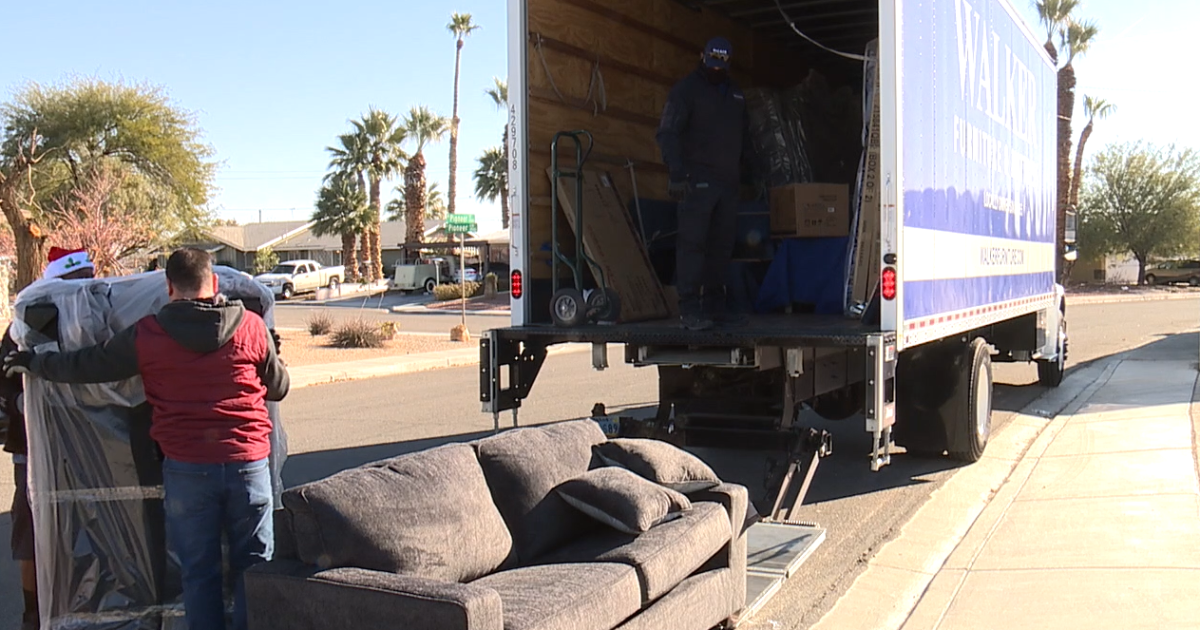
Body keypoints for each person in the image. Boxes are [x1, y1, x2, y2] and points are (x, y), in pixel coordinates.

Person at [4, 248, 290, 630]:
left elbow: (87, 364)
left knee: (200, 574)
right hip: (248, 467)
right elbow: (278, 388)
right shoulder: (251, 328)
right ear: (215, 283)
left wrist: (35, 363)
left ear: (170, 288)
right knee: (254, 574)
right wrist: (273, 351)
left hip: (189, 473)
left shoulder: (150, 335)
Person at [2, 247, 96, 630]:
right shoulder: (23, 326)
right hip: (35, 447)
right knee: (35, 531)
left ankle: (79, 607)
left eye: (87, 279)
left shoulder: (97, 321)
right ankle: (33, 613)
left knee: (82, 527)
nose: (81, 288)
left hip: (88, 446)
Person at [656, 36, 756, 331]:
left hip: (728, 184)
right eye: (711, 62)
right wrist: (676, 172)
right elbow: (668, 133)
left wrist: (751, 171)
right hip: (697, 181)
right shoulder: (686, 91)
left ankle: (715, 306)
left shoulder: (735, 95)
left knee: (721, 246)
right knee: (692, 245)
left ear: (727, 63)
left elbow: (745, 137)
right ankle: (689, 309)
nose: (715, 69)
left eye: (721, 64)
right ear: (702, 57)